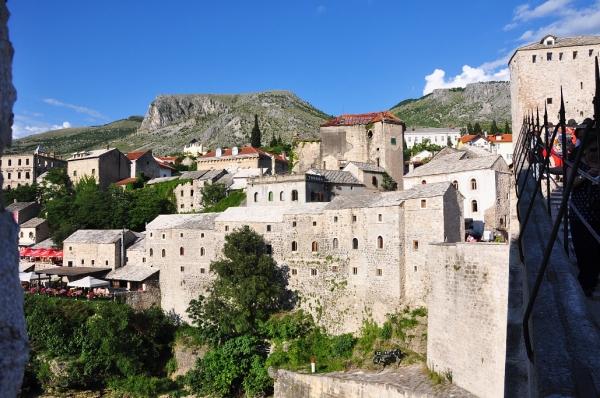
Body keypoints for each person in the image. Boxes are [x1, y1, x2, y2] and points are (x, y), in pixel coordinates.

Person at [567, 130, 600, 297]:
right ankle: (585, 282)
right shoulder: (576, 163)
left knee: (596, 251)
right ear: (586, 149)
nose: (596, 153)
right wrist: (586, 176)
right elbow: (569, 183)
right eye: (593, 150)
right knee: (582, 250)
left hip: (597, 213)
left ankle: (589, 283)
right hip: (580, 214)